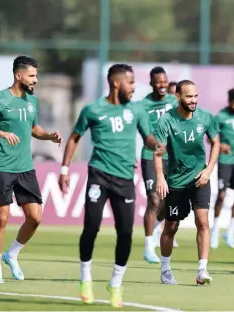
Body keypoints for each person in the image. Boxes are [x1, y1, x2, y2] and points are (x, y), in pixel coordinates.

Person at [58, 64, 165, 307]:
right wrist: (64, 169)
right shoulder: (93, 110)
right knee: (91, 227)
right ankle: (85, 279)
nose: (134, 86)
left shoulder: (136, 110)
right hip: (99, 175)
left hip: (125, 179)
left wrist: (156, 144)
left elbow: (147, 137)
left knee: (126, 233)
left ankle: (115, 284)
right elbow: (75, 137)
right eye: (131, 81)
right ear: (116, 83)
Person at [0, 56, 63, 283]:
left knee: (35, 218)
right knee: (2, 218)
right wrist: (1, 133)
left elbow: (34, 128)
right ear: (19, 75)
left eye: (36, 75)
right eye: (32, 75)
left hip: (26, 168)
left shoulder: (32, 102)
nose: (35, 80)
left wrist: (49, 136)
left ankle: (12, 254)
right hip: (3, 167)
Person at [154, 80, 220, 285]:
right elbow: (157, 152)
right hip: (176, 181)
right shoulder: (167, 120)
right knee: (171, 227)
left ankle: (202, 271)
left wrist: (208, 170)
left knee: (202, 222)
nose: (193, 100)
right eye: (189, 96)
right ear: (178, 97)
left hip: (200, 179)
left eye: (196, 96)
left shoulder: (205, 117)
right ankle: (165, 270)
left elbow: (216, 143)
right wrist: (160, 177)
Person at [139, 66, 179, 264]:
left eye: (164, 81)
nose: (162, 85)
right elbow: (140, 131)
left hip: (171, 157)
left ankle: (156, 230)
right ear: (151, 83)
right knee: (154, 200)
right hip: (150, 155)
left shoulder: (174, 101)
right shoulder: (143, 105)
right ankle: (148, 247)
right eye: (158, 81)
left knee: (170, 202)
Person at [211, 88, 234, 249]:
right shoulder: (220, 116)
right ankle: (215, 229)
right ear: (229, 102)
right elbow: (210, 137)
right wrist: (220, 145)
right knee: (221, 195)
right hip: (225, 160)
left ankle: (230, 231)